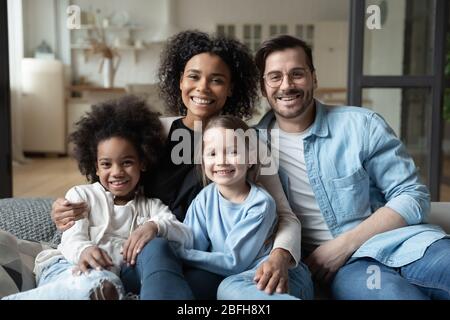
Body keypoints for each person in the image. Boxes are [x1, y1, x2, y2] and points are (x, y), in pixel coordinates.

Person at [49, 30, 311, 299]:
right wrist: (66, 208)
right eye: (193, 76)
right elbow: (109, 182)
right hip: (152, 254)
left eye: (217, 80)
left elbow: (284, 215)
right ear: (179, 81)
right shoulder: (152, 133)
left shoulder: (247, 142)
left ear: (232, 88)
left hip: (214, 263)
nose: (203, 88)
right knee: (155, 252)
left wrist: (280, 256)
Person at [254, 34, 450, 299]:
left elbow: (412, 195)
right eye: (275, 76)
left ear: (314, 77)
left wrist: (343, 244)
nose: (286, 85)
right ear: (263, 86)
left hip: (407, 243)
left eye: (297, 74)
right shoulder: (250, 147)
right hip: (351, 269)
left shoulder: (361, 125)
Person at [3, 97, 194, 300]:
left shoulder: (151, 206)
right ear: (95, 166)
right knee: (102, 287)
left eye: (127, 162)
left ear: (143, 163)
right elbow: (72, 238)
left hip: (111, 280)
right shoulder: (82, 196)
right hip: (68, 266)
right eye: (106, 164)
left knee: (109, 288)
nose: (117, 172)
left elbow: (185, 236)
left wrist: (155, 226)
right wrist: (84, 250)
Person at [177, 115, 313, 300]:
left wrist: (178, 251)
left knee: (228, 288)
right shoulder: (204, 199)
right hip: (239, 274)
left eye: (233, 152)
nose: (221, 161)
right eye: (212, 154)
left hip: (277, 275)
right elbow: (193, 244)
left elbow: (234, 263)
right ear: (203, 161)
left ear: (250, 159)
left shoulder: (261, 203)